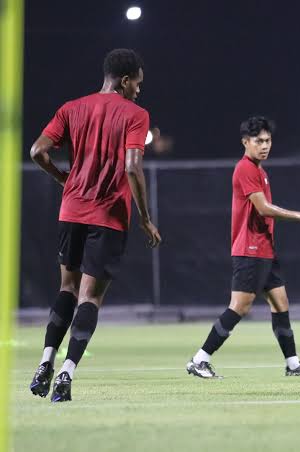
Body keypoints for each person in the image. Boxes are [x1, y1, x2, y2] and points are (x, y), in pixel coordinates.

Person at [28, 49, 162, 402]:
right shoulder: (136, 115)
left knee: (67, 289)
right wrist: (146, 219)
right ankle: (67, 374)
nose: (138, 91)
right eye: (137, 84)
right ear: (125, 80)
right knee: (91, 297)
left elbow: (37, 151)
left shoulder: (72, 108)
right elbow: (132, 167)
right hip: (108, 217)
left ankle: (45, 362)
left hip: (71, 212)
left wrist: (63, 180)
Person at [186, 116, 300, 378]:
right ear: (245, 142)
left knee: (280, 303)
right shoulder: (246, 168)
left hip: (264, 250)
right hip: (249, 249)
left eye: (268, 140)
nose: (265, 145)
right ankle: (199, 360)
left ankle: (293, 365)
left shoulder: (260, 171)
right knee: (239, 306)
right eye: (258, 141)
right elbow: (262, 209)